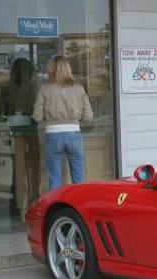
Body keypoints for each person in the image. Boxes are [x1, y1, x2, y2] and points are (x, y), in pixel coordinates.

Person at [32, 55, 93, 190]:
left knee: (54, 179)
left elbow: (37, 117)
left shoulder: (44, 88)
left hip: (53, 135)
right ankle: (79, 208)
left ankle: (56, 210)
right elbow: (89, 116)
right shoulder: (78, 88)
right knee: (79, 179)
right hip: (73, 133)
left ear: (51, 69)